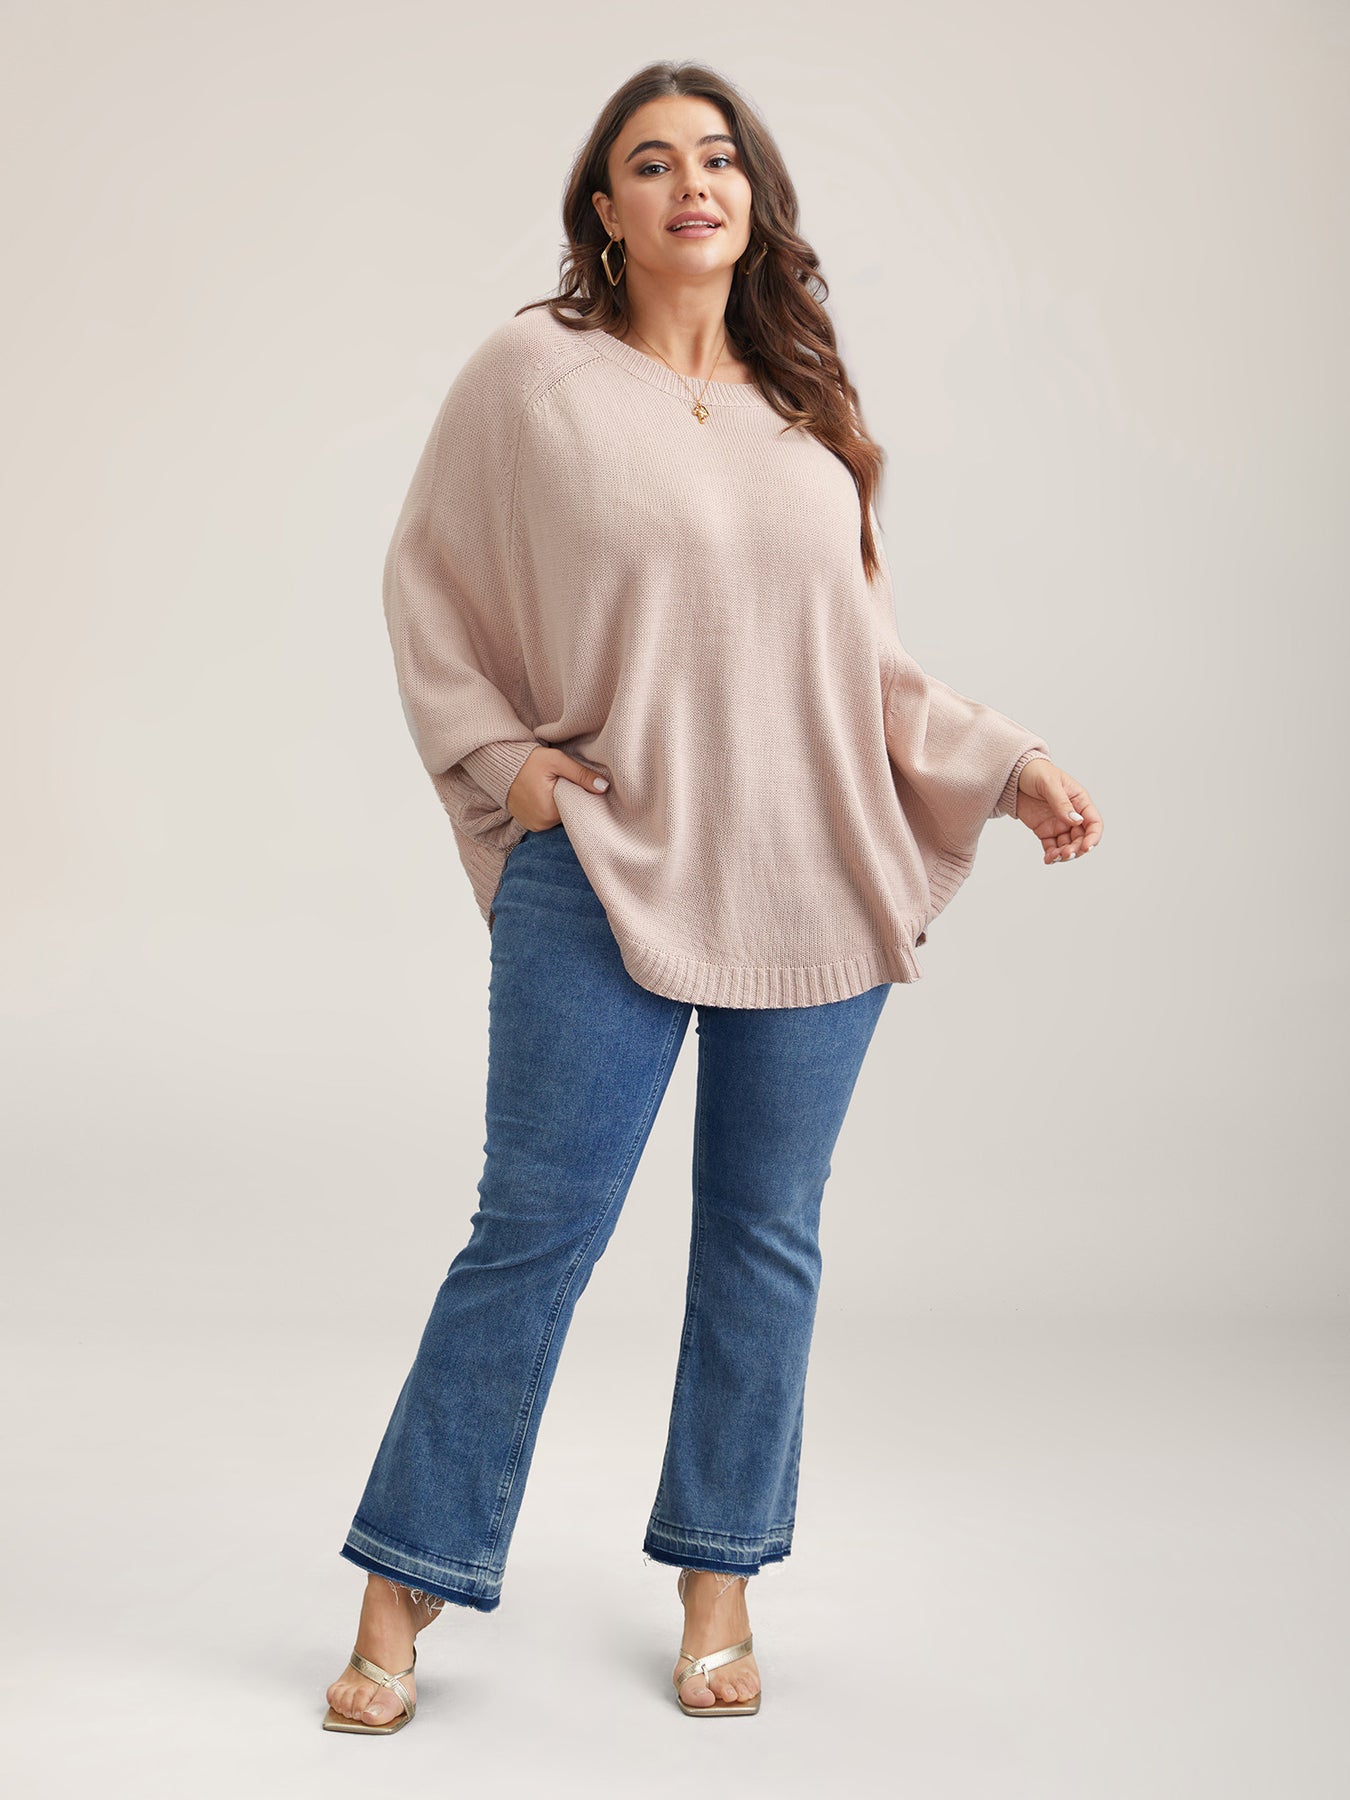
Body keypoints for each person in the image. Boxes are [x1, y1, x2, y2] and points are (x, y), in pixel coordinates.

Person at [323, 60, 1101, 1735]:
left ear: (754, 199)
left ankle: (719, 1581)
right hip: (602, 869)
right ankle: (403, 1581)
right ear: (603, 209)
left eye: (721, 158)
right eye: (653, 162)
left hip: (810, 870)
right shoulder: (534, 375)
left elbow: (859, 666)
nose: (694, 184)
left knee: (764, 1237)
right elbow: (424, 580)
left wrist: (1005, 757)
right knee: (533, 1234)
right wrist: (508, 768)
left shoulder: (800, 404)